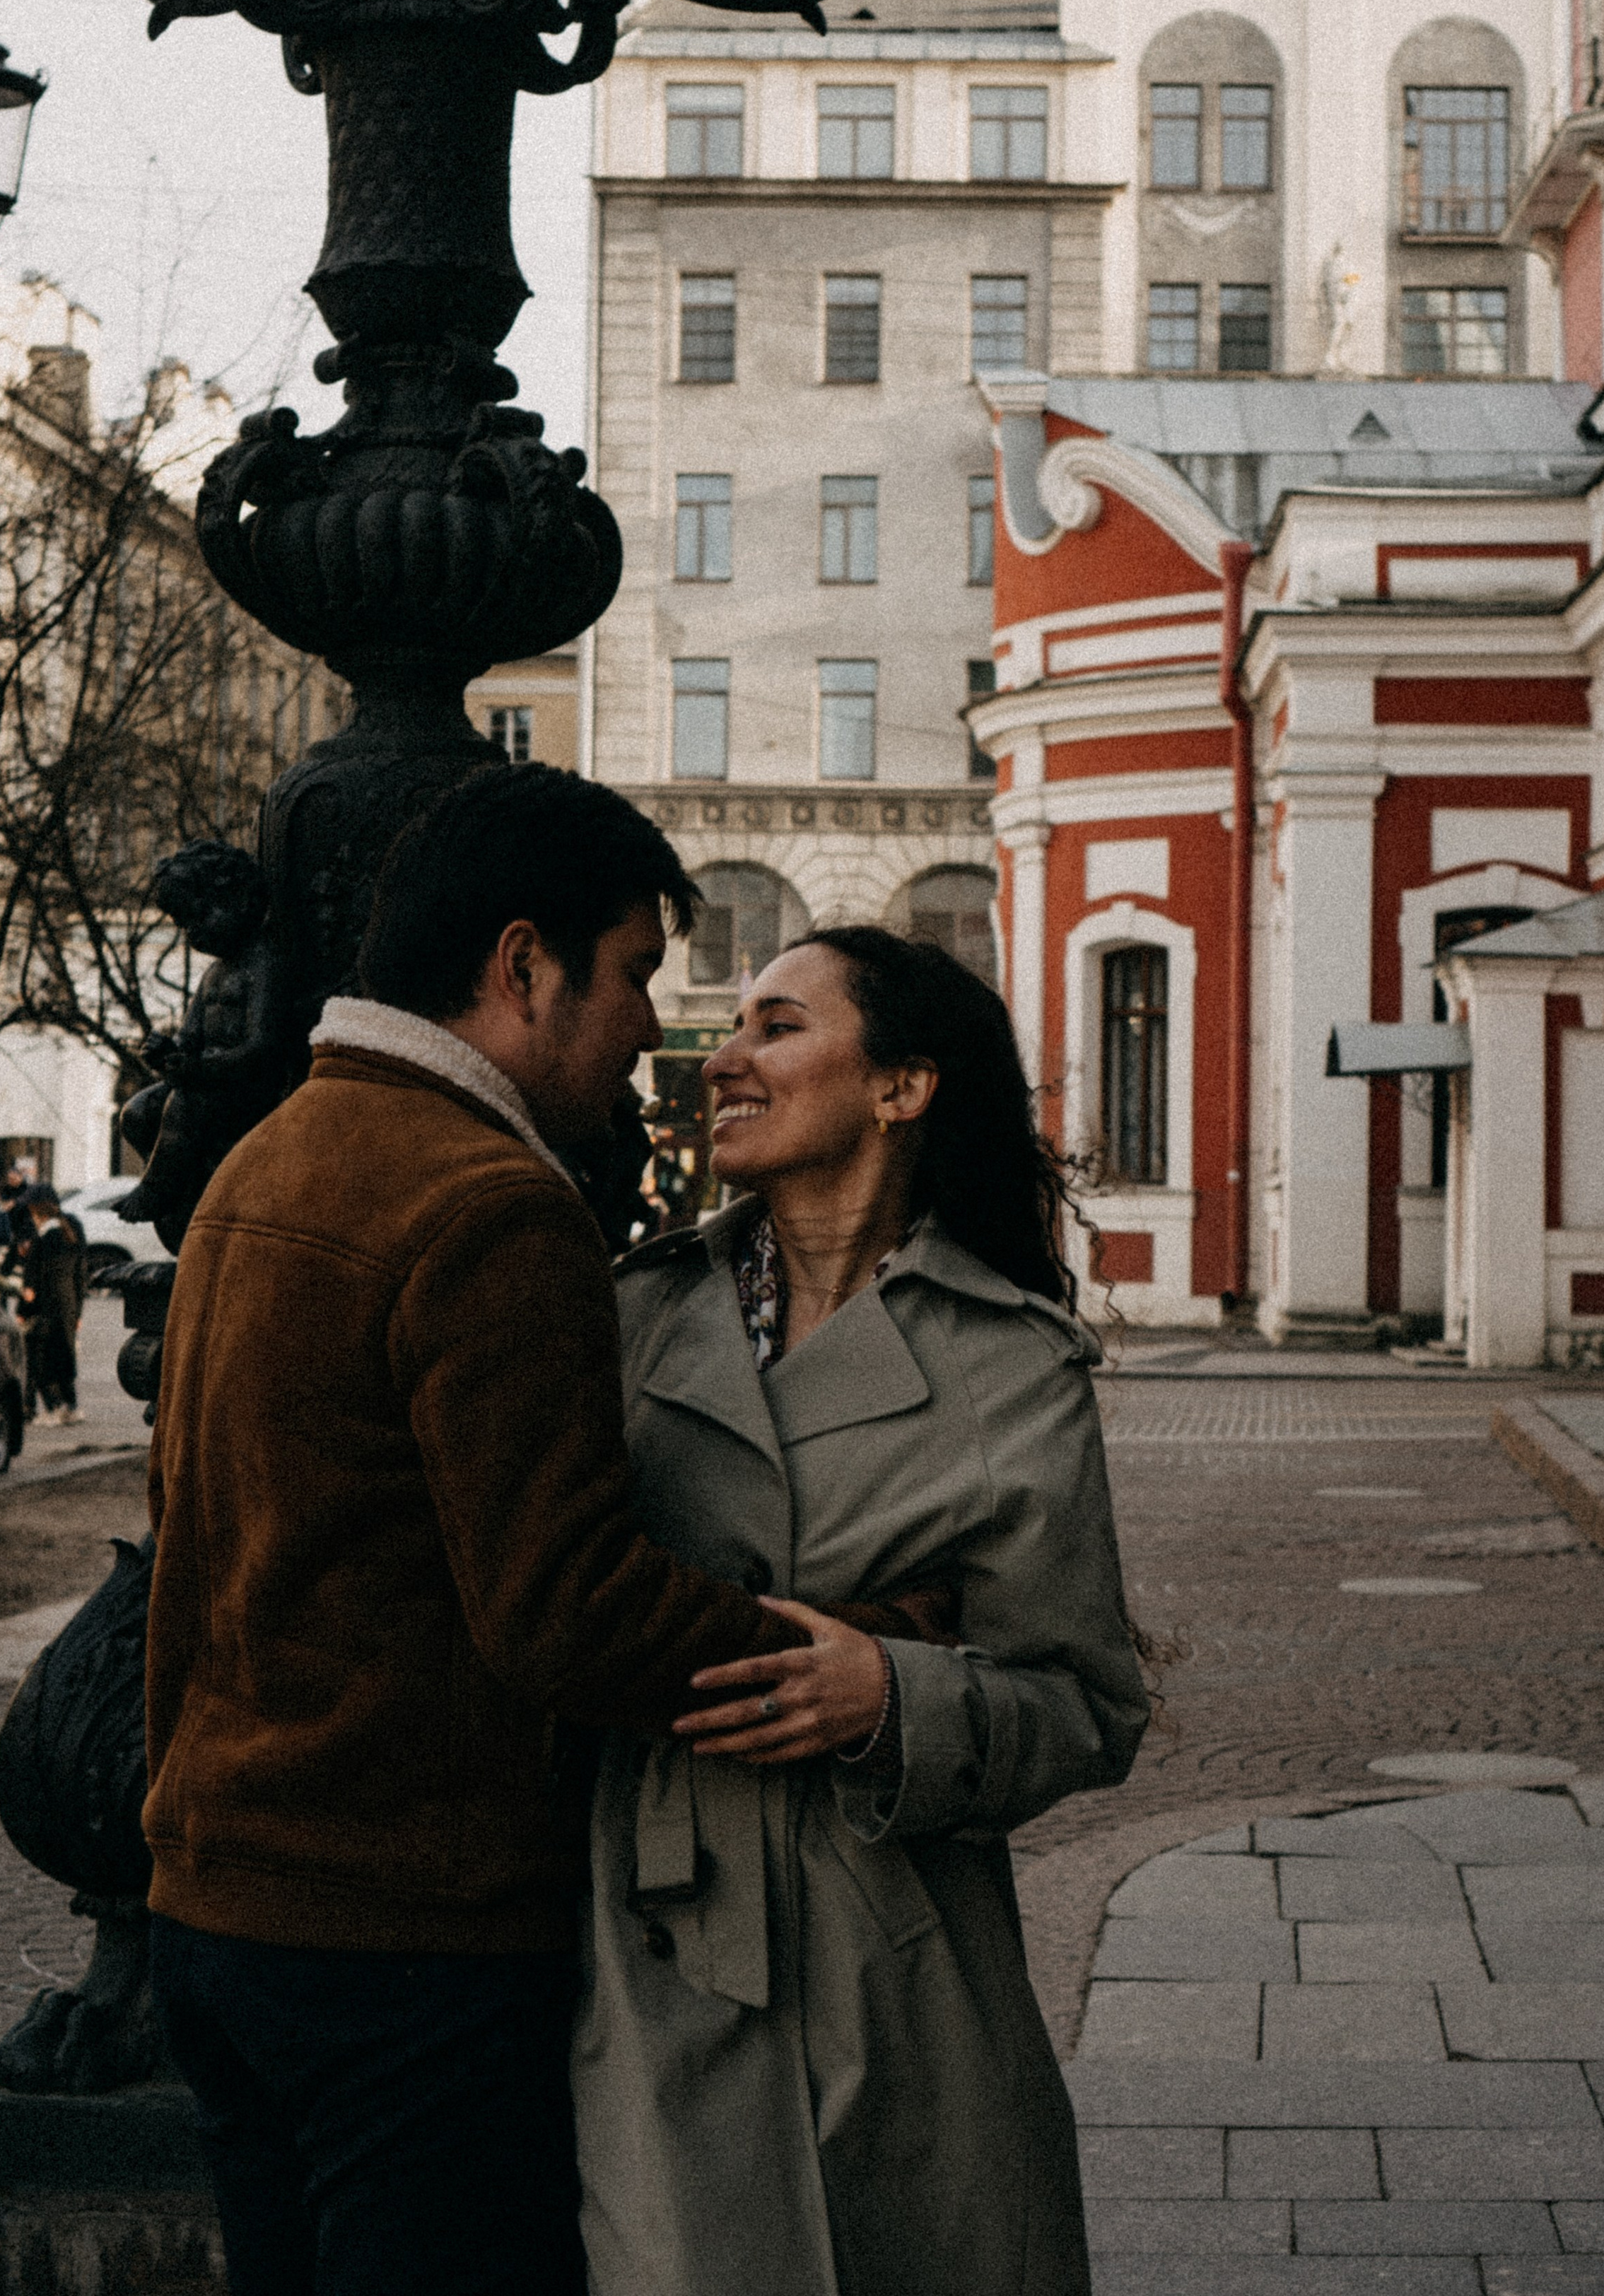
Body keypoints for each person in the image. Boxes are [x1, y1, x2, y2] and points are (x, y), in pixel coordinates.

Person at [142, 767, 915, 2296]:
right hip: (401, 1941)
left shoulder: (267, 1161)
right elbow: (563, 1611)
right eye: (628, 971)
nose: (648, 1024)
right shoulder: (486, 1203)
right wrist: (844, 1657)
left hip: (218, 1910)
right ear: (519, 968)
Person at [574, 927, 1152, 2296]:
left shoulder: (1013, 1361)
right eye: (731, 1028)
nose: (721, 1056)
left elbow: (1086, 1703)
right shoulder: (635, 1318)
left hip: (902, 1961)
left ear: (899, 1088)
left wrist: (891, 1697)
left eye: (776, 1027)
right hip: (650, 1933)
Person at [19, 1184, 84, 1424]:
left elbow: (32, 1287)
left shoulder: (44, 1239)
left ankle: (53, 1409)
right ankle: (71, 1407)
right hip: (67, 1305)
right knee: (64, 1358)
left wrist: (23, 1311)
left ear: (37, 1212)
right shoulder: (70, 1233)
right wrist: (78, 1311)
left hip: (46, 1308)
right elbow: (79, 1275)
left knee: (41, 1361)